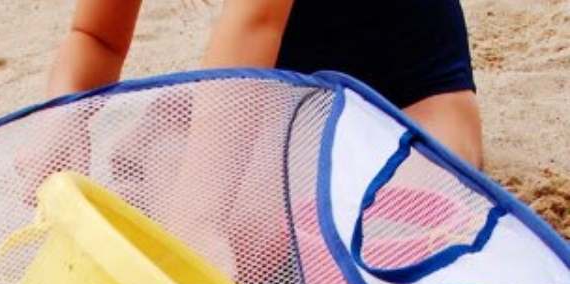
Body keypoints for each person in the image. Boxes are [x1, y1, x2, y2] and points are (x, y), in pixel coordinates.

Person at [48, 0, 483, 168]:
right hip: (280, 101)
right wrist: (60, 123)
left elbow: (255, 22)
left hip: (407, 107)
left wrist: (200, 220)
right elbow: (96, 38)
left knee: (376, 224)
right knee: (138, 158)